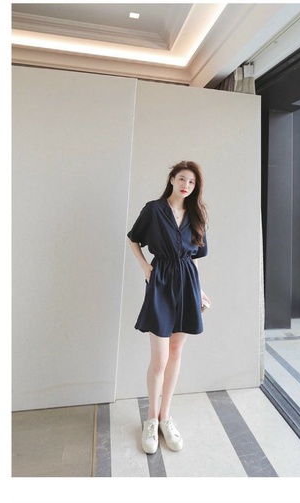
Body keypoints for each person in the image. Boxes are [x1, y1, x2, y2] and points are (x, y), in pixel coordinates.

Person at [127, 160, 211, 454]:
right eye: (182, 179)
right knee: (160, 358)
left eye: (192, 182)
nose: (186, 185)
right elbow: (133, 239)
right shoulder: (154, 210)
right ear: (172, 179)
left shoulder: (197, 215)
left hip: (188, 284)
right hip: (161, 282)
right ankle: (151, 419)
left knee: (176, 353)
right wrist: (145, 268)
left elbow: (195, 257)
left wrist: (199, 291)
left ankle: (165, 417)